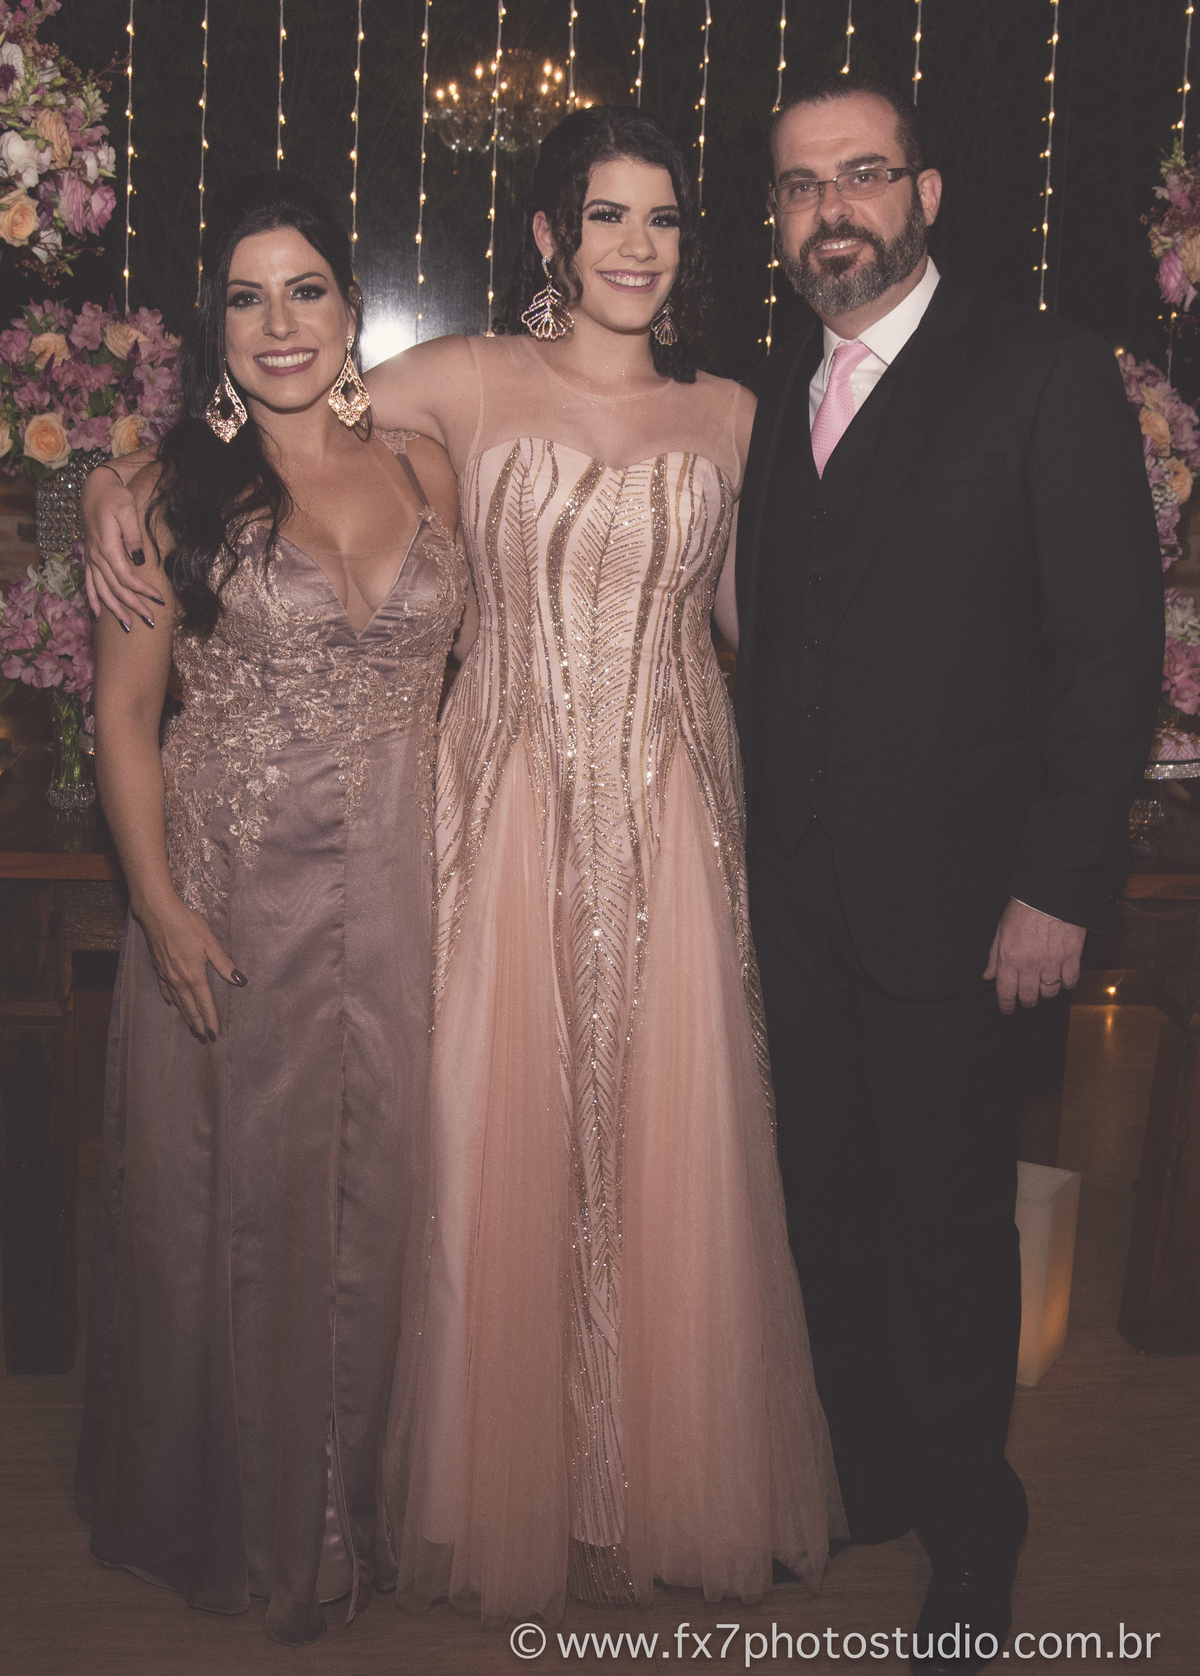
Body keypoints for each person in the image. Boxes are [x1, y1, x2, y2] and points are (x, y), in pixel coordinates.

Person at [80, 111, 844, 1629]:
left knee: (619, 1174)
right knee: (445, 1177)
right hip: (477, 818)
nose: (635, 244)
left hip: (647, 822)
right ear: (553, 236)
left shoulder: (724, 416)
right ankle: (404, 1492)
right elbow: (263, 426)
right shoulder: (461, 387)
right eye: (605, 214)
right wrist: (118, 468)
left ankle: (627, 1480)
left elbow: (786, 624)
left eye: (664, 217)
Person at [733, 74, 1164, 1676]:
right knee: (828, 1208)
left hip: (973, 917)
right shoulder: (775, 385)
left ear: (927, 193)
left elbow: (1111, 651)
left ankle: (976, 1528)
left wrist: (1059, 882)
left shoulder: (1044, 372)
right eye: (800, 185)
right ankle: (874, 1472)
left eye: (862, 174)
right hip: (795, 909)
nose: (830, 208)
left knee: (948, 1230)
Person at [75, 173, 466, 1645]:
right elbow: (124, 720)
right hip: (235, 896)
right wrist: (159, 907)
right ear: (216, 327)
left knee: (386, 1206)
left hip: (412, 895)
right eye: (247, 297)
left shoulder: (426, 466)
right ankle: (235, 1520)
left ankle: (362, 1510)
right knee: (228, 1213)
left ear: (353, 312)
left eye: (306, 290)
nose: (280, 322)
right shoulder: (168, 495)